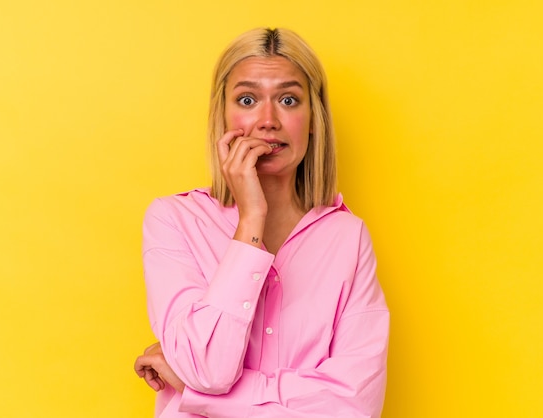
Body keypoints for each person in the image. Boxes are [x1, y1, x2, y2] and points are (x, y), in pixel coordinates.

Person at [134, 27, 390, 417]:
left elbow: (353, 407)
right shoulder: (173, 220)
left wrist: (196, 394)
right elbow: (208, 370)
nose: (268, 120)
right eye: (248, 99)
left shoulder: (347, 238)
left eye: (288, 99)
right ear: (222, 116)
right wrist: (251, 219)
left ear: (313, 119)